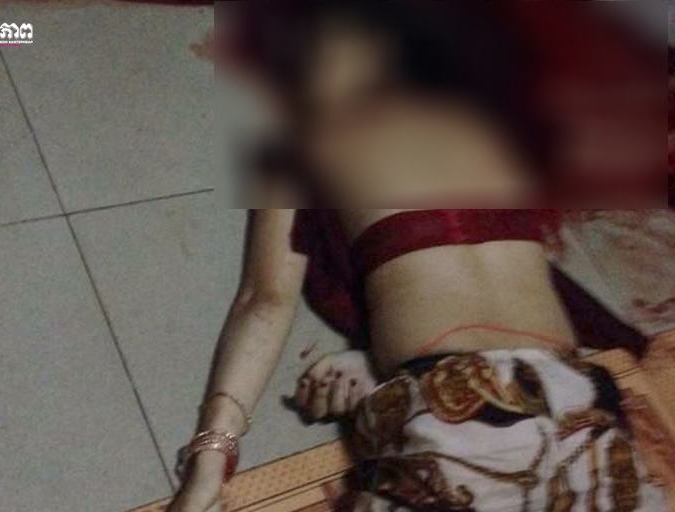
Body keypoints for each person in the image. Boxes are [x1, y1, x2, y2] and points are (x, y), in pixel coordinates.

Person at [169, 2, 668, 511]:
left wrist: (213, 454)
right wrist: (212, 455)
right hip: (555, 405)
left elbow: (265, 301)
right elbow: (265, 300)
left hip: (519, 414)